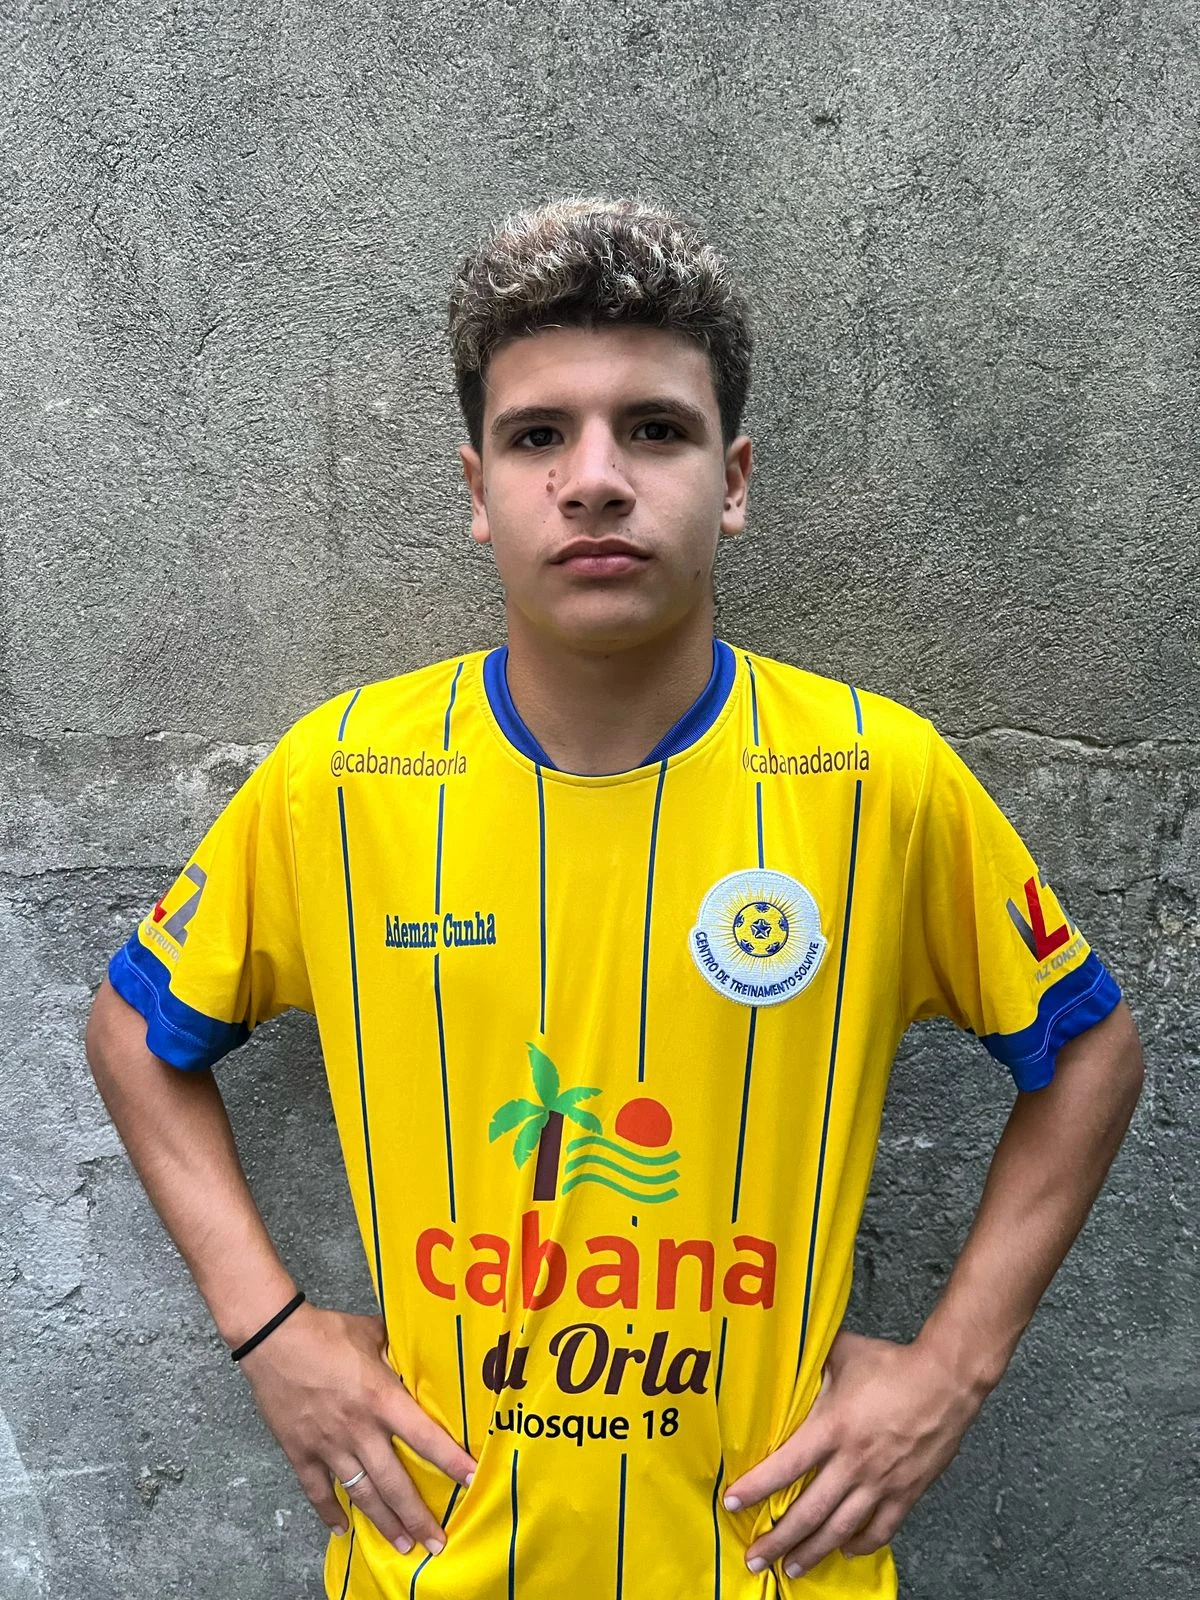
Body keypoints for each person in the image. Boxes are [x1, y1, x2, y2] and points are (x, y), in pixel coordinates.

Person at [85, 196, 1144, 1599]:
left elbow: (1092, 1051)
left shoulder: (876, 776)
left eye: (653, 429)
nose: (594, 479)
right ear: (479, 491)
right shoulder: (341, 776)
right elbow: (132, 1031)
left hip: (770, 1571)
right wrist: (270, 1330)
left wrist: (953, 1369)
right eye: (539, 436)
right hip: (435, 1567)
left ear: (734, 478)